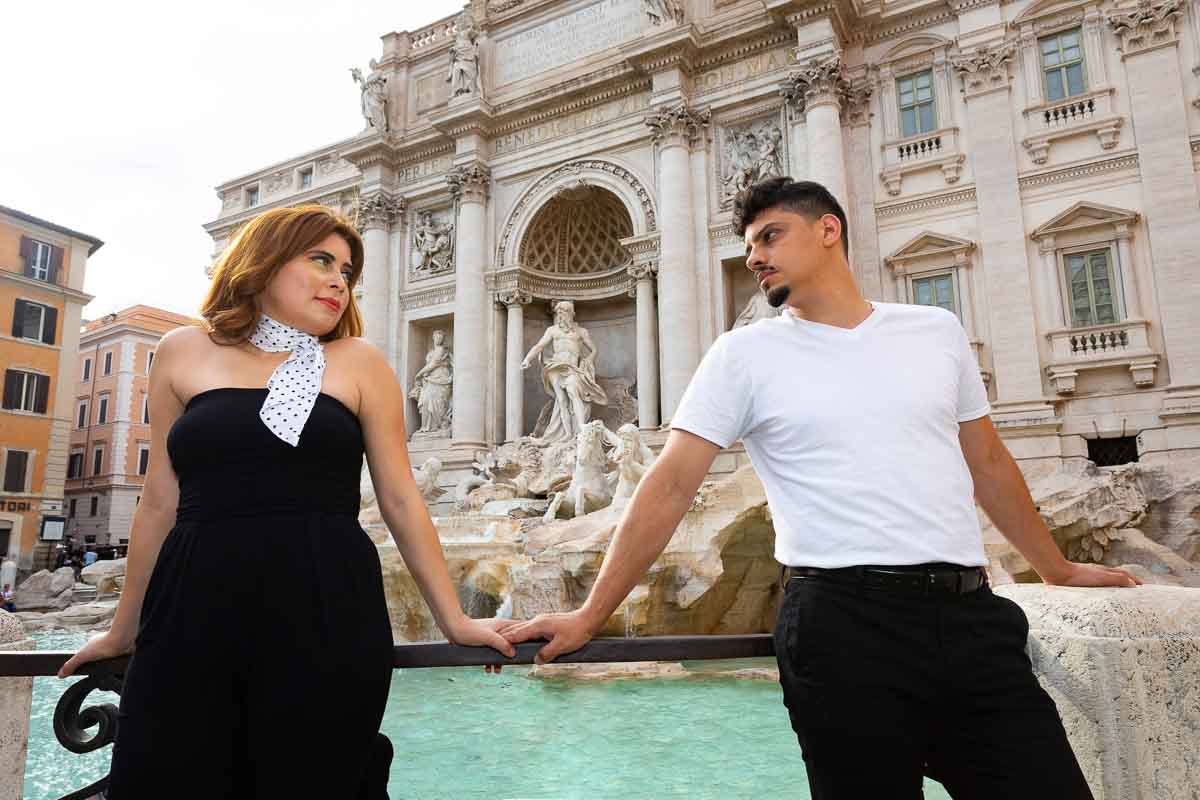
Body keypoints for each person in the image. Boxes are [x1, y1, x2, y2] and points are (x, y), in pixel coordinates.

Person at [503, 178, 1140, 799]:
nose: (754, 257)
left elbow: (990, 464)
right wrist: (591, 615)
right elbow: (667, 486)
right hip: (841, 628)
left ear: (828, 230)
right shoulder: (741, 356)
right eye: (750, 245)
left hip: (970, 617)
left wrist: (1054, 566)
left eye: (770, 236)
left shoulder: (935, 330)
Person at [57, 205, 517, 799]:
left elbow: (400, 497)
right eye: (321, 260)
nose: (338, 281)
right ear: (265, 260)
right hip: (191, 605)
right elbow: (157, 502)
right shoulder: (181, 351)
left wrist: (453, 619)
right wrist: (124, 630)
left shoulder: (359, 361)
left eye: (347, 272)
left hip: (325, 605)